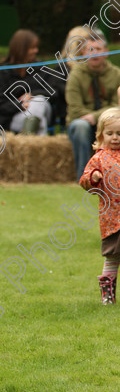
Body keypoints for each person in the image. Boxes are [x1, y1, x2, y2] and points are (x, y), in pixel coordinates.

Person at [79, 107, 120, 305]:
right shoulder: (99, 158)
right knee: (112, 256)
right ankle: (108, 295)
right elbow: (84, 180)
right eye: (110, 133)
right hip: (111, 218)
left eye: (119, 133)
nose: (115, 137)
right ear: (101, 135)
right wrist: (93, 178)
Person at [66, 30, 120, 179]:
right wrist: (90, 118)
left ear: (106, 52)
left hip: (110, 123)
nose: (94, 53)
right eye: (90, 49)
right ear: (83, 53)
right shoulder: (75, 75)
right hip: (83, 123)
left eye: (98, 49)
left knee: (116, 128)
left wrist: (96, 116)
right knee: (80, 127)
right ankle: (85, 178)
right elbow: (74, 109)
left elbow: (118, 106)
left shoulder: (117, 74)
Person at [0, 29, 54, 135]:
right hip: (13, 117)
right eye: (32, 48)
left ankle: (25, 142)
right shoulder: (3, 72)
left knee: (39, 101)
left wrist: (32, 95)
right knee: (40, 122)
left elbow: (54, 92)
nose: (36, 51)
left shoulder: (40, 68)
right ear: (21, 49)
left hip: (43, 109)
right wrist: (20, 105)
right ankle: (32, 145)